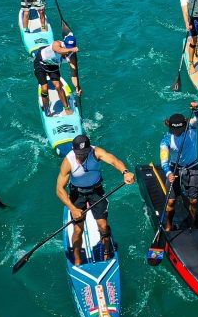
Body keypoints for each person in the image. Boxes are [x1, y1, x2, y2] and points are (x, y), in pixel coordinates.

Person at [56, 134, 134, 264]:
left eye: (84, 153)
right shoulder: (68, 161)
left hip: (96, 191)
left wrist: (125, 172)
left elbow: (114, 161)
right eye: (79, 154)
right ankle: (77, 260)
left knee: (103, 226)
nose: (81, 156)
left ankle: (107, 253)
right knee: (78, 229)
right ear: (73, 150)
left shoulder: (96, 152)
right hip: (77, 194)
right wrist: (73, 208)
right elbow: (59, 189)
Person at [159, 105, 198, 229]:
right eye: (175, 130)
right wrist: (168, 173)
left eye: (180, 129)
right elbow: (164, 160)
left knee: (194, 201)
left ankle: (194, 225)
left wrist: (196, 110)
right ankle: (169, 226)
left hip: (193, 167)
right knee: (171, 201)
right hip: (175, 169)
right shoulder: (166, 140)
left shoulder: (191, 127)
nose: (177, 132)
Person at [34, 31, 81, 114]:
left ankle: (66, 108)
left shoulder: (72, 56)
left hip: (53, 66)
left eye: (71, 47)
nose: (69, 52)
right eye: (67, 47)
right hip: (40, 64)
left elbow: (74, 74)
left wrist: (77, 87)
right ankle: (47, 110)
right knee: (44, 88)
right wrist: (71, 49)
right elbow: (59, 50)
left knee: (58, 86)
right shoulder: (57, 44)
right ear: (64, 44)